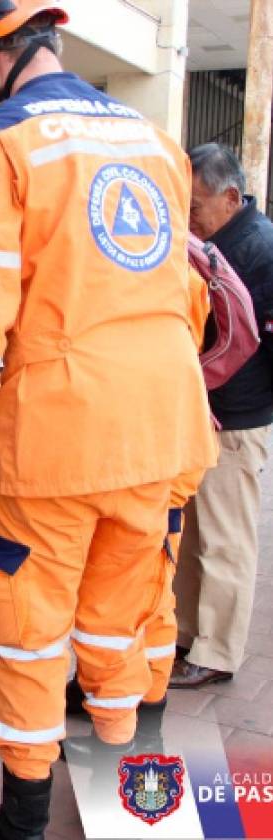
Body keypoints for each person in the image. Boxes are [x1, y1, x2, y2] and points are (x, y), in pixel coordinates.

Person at [0, 2, 216, 836]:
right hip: (164, 428)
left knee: (27, 629)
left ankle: (21, 824)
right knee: (123, 618)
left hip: (54, 438)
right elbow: (185, 298)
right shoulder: (155, 141)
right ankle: (134, 808)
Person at [169, 144, 273, 689]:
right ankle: (187, 633)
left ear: (231, 198)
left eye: (196, 207)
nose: (189, 219)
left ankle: (217, 653)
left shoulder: (259, 248)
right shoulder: (214, 243)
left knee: (226, 540)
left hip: (235, 418)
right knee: (192, 536)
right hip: (203, 412)